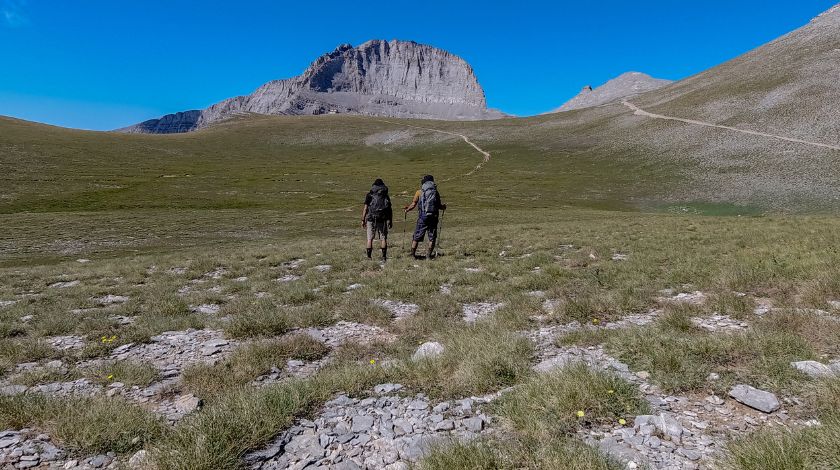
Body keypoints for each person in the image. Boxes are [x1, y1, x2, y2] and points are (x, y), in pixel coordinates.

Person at [404, 175, 447, 259]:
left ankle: (412, 254)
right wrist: (443, 207)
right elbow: (438, 205)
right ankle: (428, 256)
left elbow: (413, 204)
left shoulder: (419, 192)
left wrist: (407, 209)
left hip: (423, 217)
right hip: (433, 217)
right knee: (432, 237)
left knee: (416, 236)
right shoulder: (435, 192)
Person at [362, 178, 392, 260]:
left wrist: (363, 219)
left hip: (371, 218)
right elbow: (389, 209)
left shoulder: (370, 195)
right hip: (382, 218)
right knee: (383, 238)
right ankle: (384, 257)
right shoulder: (385, 195)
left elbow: (365, 208)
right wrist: (390, 220)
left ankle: (369, 257)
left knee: (369, 238)